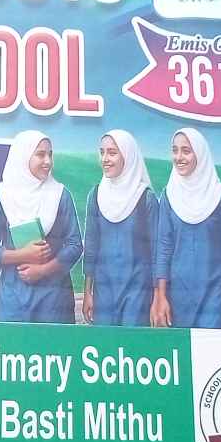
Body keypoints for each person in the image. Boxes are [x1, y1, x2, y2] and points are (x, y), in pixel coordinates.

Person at [0, 130, 82, 324]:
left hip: (54, 299)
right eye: (40, 154)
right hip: (12, 298)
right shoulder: (3, 196)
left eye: (50, 154)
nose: (48, 161)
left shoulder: (60, 195)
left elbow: (75, 245)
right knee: (13, 343)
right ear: (23, 156)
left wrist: (44, 270)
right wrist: (22, 255)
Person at [151, 127, 221, 330]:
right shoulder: (169, 196)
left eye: (186, 151)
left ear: (200, 154)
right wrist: (160, 296)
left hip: (216, 295)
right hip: (178, 296)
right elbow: (163, 248)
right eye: (175, 150)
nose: (179, 157)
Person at [82, 130, 157, 326]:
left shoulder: (146, 198)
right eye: (102, 152)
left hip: (138, 291)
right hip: (104, 291)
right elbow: (91, 247)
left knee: (132, 343)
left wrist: (157, 298)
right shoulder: (96, 195)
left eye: (112, 153)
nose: (105, 159)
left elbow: (156, 253)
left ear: (128, 155)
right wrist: (88, 292)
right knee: (105, 343)